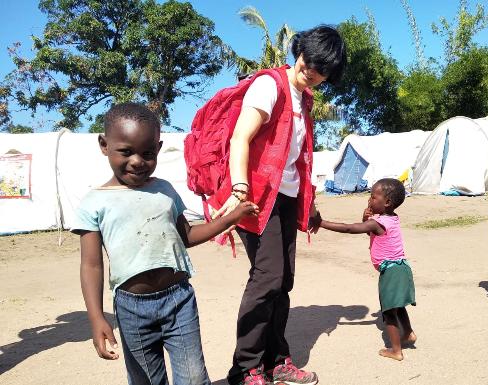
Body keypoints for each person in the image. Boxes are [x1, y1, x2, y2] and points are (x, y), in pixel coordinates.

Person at [71, 103, 258, 385]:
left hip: (178, 300)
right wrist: (96, 317)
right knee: (147, 379)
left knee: (194, 378)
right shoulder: (94, 203)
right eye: (126, 151)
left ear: (158, 149)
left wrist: (232, 217)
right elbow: (91, 265)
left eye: (147, 153)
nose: (137, 161)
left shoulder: (165, 190)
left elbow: (187, 236)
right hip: (131, 309)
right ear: (104, 145)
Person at [211, 25, 346, 385]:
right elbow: (242, 136)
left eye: (321, 69)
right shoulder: (270, 85)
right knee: (267, 276)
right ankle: (245, 368)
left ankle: (276, 361)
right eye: (308, 59)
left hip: (286, 197)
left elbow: (298, 158)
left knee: (282, 280)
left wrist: (310, 204)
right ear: (299, 51)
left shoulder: (305, 100)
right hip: (255, 197)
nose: (310, 70)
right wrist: (240, 190)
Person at [319, 178, 417, 361]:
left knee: (388, 313)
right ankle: (408, 334)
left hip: (392, 272)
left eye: (373, 197)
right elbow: (369, 230)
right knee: (398, 306)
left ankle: (396, 351)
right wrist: (367, 217)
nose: (369, 201)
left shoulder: (377, 223)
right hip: (401, 268)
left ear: (387, 202)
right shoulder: (390, 218)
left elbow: (350, 229)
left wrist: (321, 223)